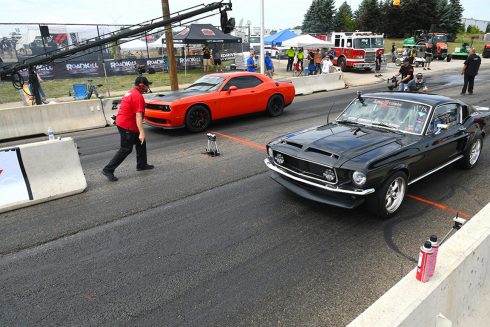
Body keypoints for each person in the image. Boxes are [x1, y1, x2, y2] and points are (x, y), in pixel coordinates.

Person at [102, 76, 154, 181]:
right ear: (142, 86)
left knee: (141, 142)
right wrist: (142, 132)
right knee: (126, 149)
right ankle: (108, 169)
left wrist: (140, 134)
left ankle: (141, 165)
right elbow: (138, 116)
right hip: (127, 126)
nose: (147, 88)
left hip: (126, 122)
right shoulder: (137, 96)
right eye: (147, 86)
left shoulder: (131, 92)